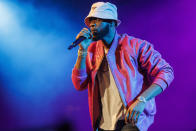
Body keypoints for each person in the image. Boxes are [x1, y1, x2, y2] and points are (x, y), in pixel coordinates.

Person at [71, 2, 174, 131]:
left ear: (112, 23)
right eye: (91, 20)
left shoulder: (135, 46)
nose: (91, 23)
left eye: (97, 19)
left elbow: (166, 71)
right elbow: (79, 84)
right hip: (104, 125)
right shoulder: (91, 51)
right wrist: (82, 51)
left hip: (130, 121)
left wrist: (142, 100)